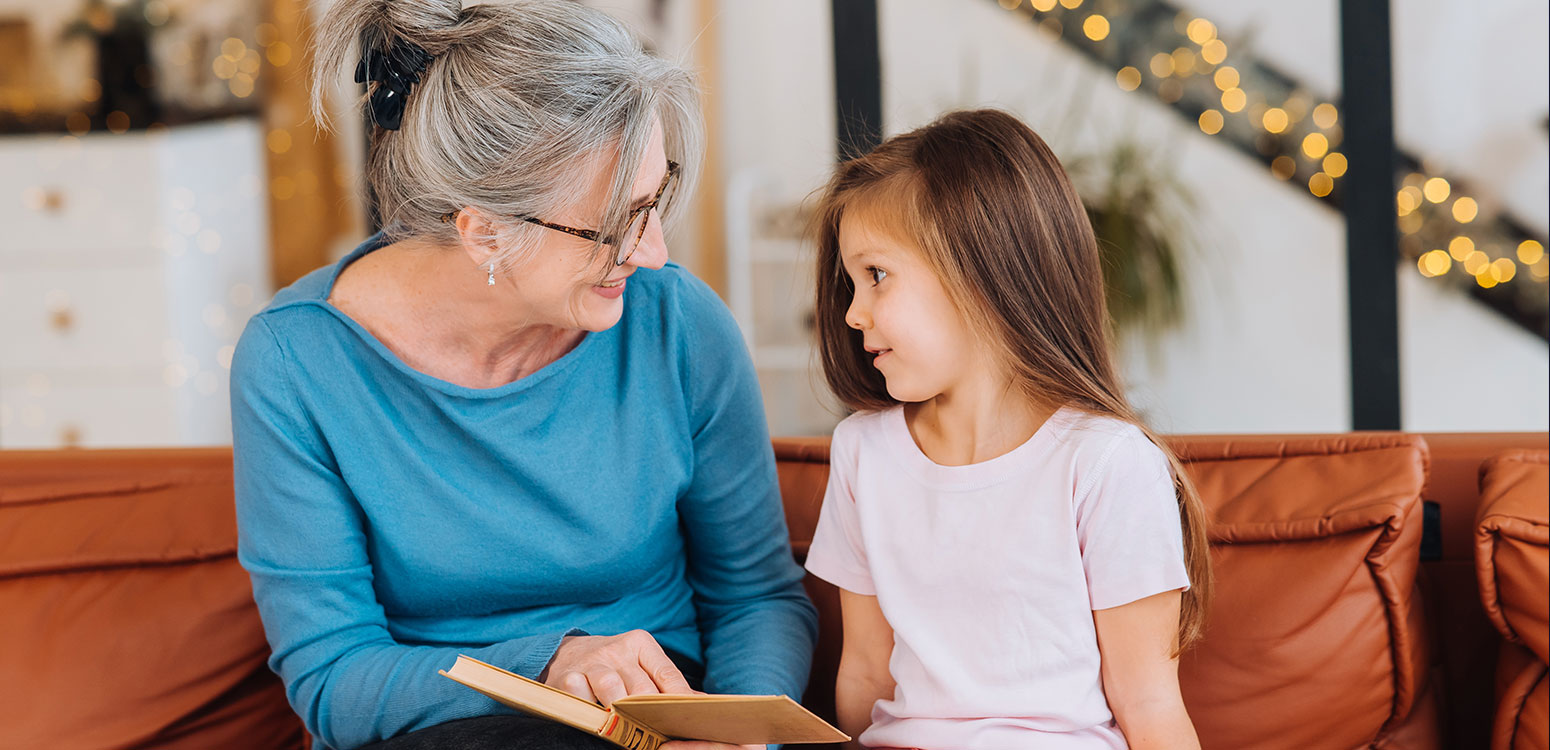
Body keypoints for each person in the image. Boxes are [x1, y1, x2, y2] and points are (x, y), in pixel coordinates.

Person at [228, 1, 816, 748]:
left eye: (655, 200)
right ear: (484, 234)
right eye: (614, 225)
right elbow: (334, 683)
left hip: (651, 723)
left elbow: (756, 599)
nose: (654, 252)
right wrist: (545, 667)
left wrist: (741, 734)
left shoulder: (676, 324)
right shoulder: (296, 362)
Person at [802, 109, 1213, 750]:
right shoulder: (863, 451)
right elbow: (863, 672)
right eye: (850, 284)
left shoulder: (1106, 463)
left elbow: (1149, 701)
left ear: (981, 270)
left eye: (876, 275)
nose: (853, 312)